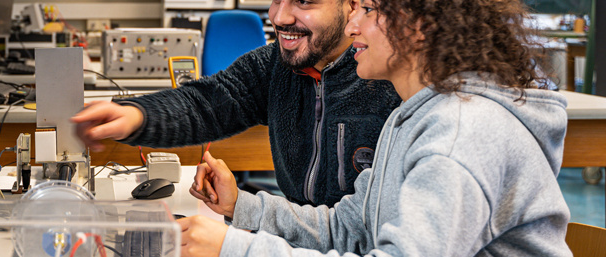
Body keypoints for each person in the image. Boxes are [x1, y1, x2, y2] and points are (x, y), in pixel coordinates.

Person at [177, 0, 574, 256]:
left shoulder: (459, 135)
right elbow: (348, 228)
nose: (352, 27)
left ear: (420, 25)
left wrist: (236, 249)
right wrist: (239, 208)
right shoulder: (412, 116)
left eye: (367, 9)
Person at [71, 0, 401, 208]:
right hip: (297, 235)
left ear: (355, 6)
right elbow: (205, 104)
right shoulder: (275, 65)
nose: (279, 16)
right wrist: (136, 116)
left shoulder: (394, 81)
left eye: (303, 1)